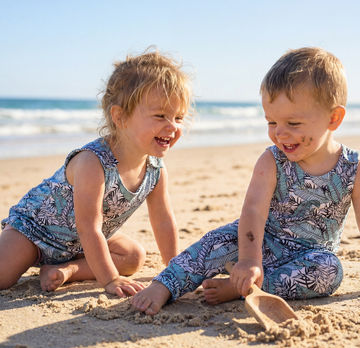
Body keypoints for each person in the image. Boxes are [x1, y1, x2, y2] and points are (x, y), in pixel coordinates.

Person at [132, 47, 360, 315]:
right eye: (272, 122)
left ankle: (240, 288)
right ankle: (165, 285)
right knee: (214, 243)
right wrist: (250, 259)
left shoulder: (352, 168)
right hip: (258, 241)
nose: (280, 133)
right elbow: (253, 211)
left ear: (333, 118)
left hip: (308, 256)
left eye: (293, 123)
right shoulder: (273, 161)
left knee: (330, 270)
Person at [0, 49, 193, 298]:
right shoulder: (93, 162)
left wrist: (174, 269)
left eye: (179, 117)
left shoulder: (155, 170)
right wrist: (110, 279)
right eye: (160, 116)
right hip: (35, 233)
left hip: (79, 246)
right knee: (2, 277)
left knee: (133, 256)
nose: (173, 126)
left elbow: (163, 221)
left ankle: (66, 270)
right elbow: (88, 227)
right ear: (120, 116)